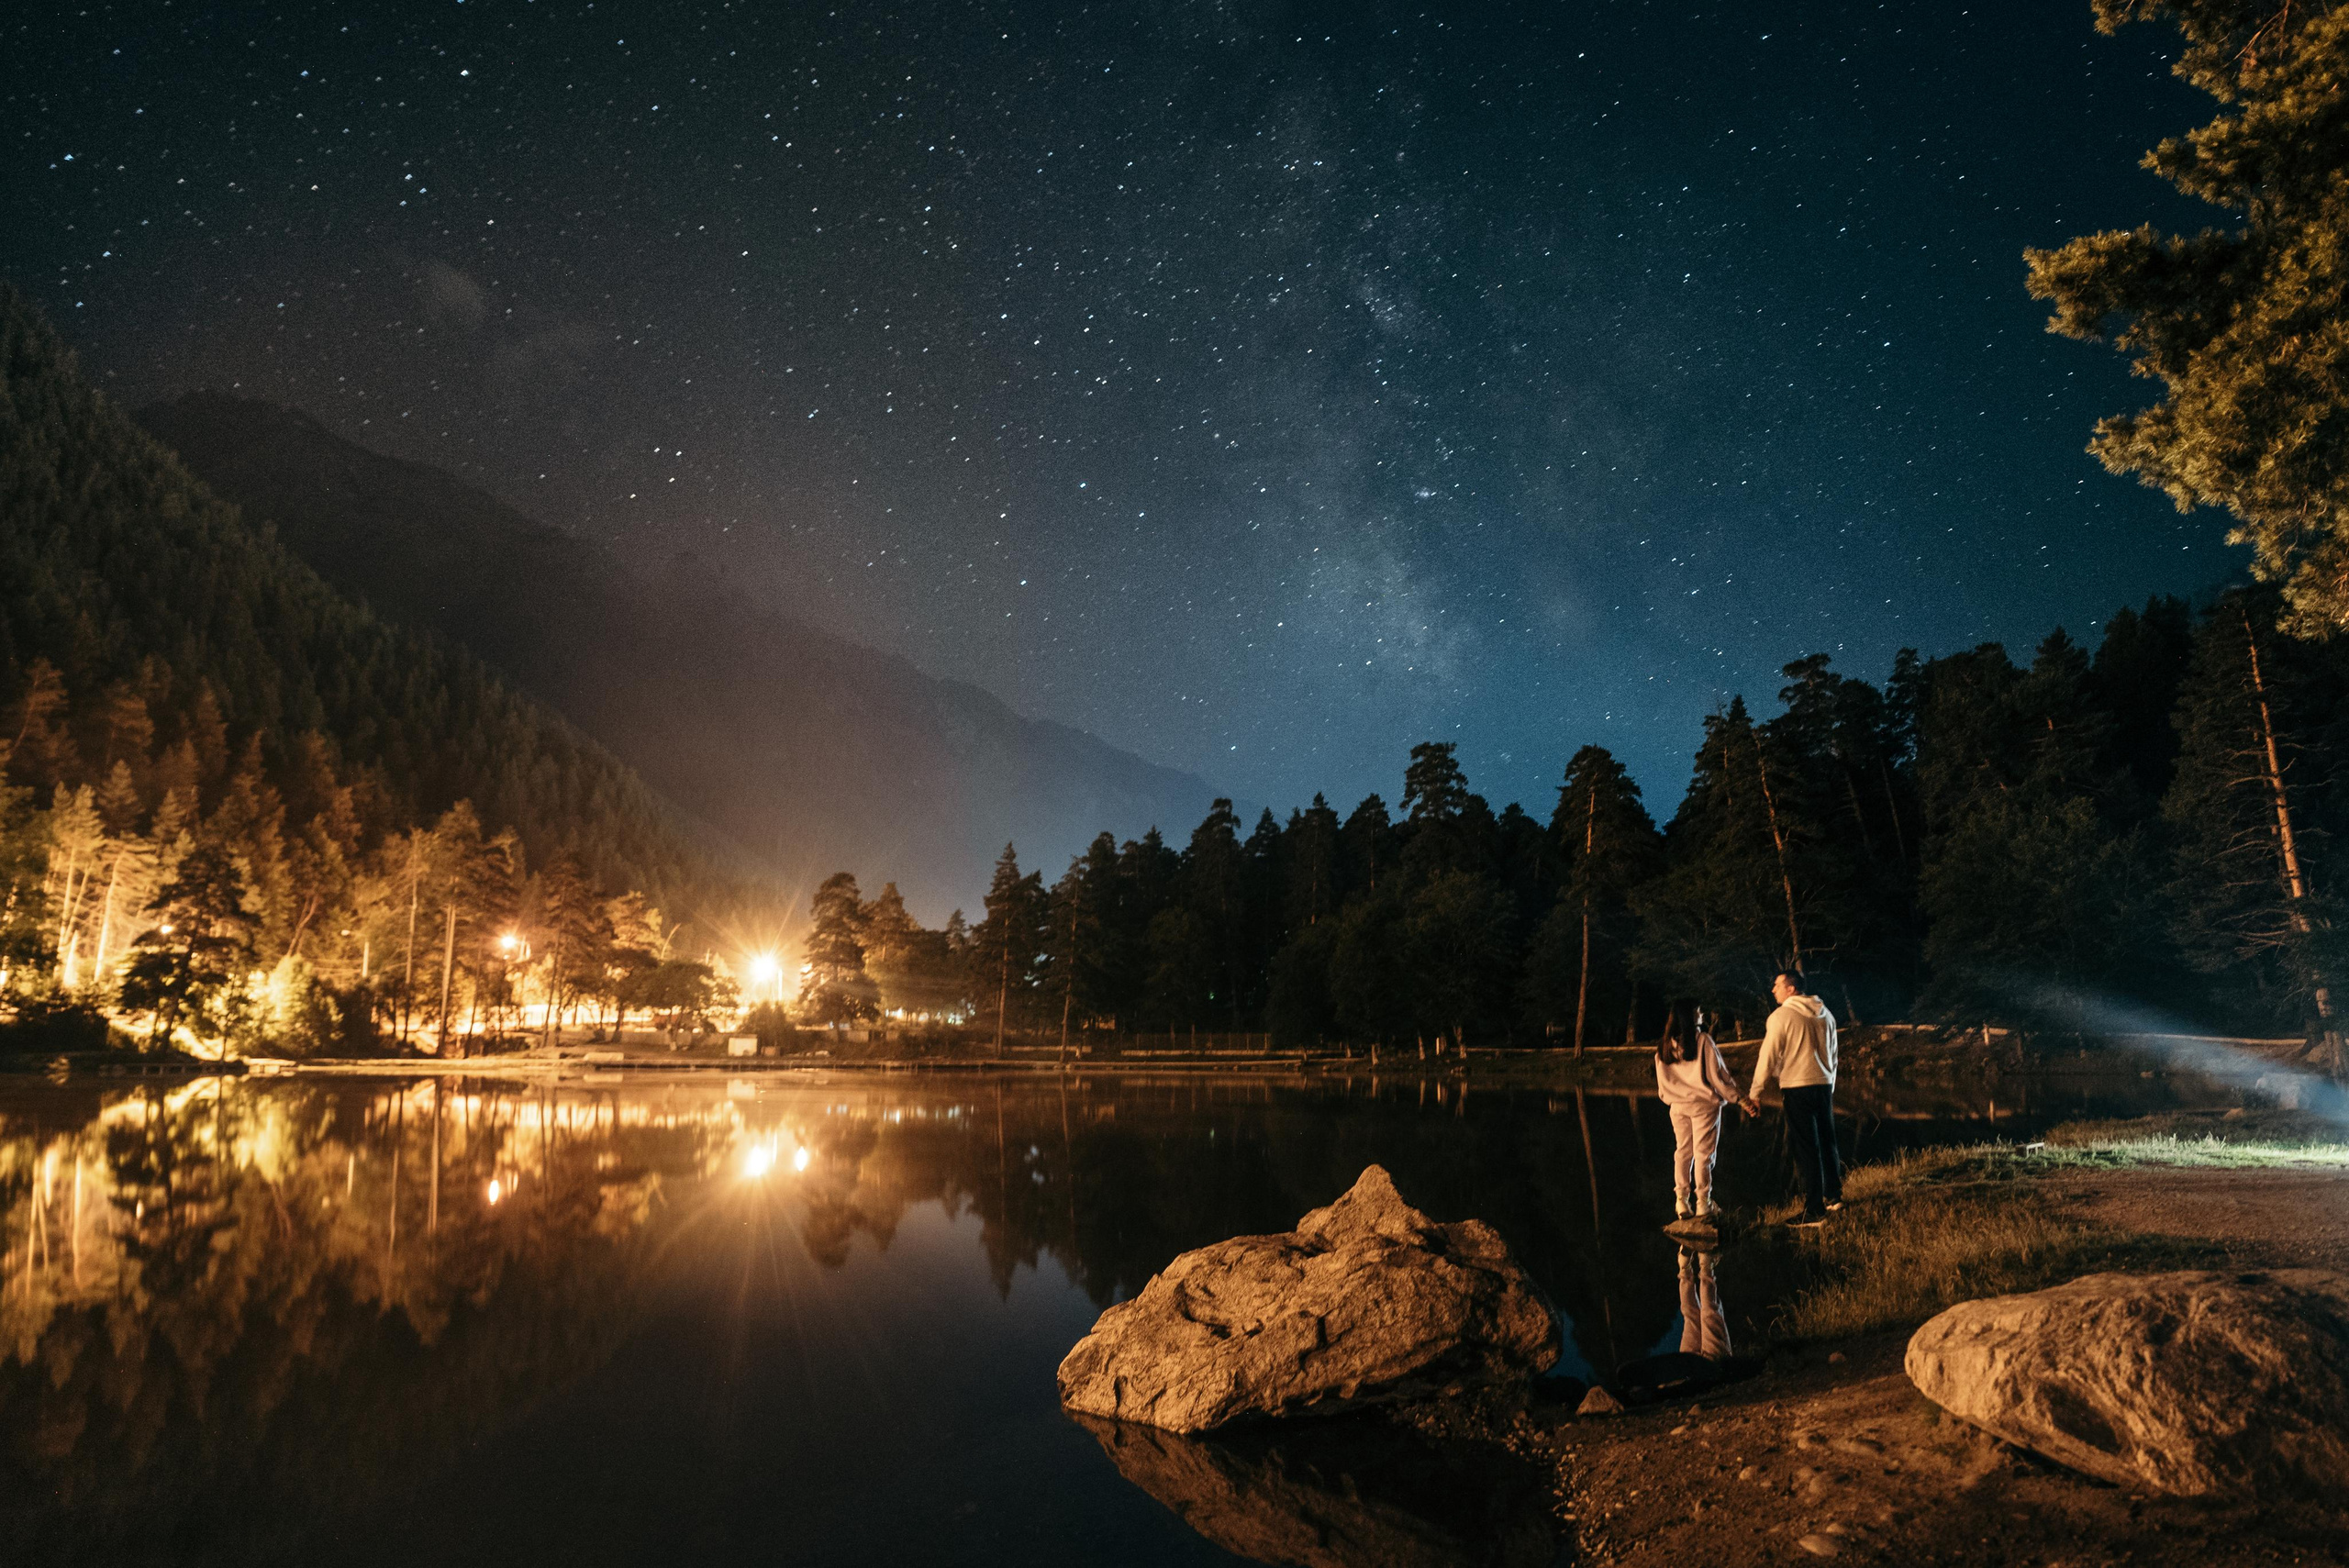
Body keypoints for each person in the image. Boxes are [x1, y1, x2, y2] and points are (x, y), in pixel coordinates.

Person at [1741, 969, 1841, 1228]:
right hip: (1823, 1084)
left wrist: (1755, 1093)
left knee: (1807, 1147)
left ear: (1791, 989)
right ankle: (1834, 1196)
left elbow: (1768, 1056)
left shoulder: (1781, 1016)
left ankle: (1815, 1210)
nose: (1773, 989)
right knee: (1828, 1141)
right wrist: (1830, 1083)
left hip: (1798, 1086)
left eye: (1777, 985)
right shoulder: (1826, 1013)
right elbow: (1834, 1053)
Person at [1653, 998, 1742, 1224]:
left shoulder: (1664, 1045)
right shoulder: (1702, 1041)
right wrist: (1739, 1098)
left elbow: (1662, 1084)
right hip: (1704, 1106)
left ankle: (1681, 1199)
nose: (1701, 1014)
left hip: (1677, 1106)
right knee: (1704, 1154)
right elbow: (1719, 1077)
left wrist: (1671, 1099)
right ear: (1691, 1015)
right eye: (1699, 1011)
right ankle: (1703, 1201)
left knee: (1682, 1151)